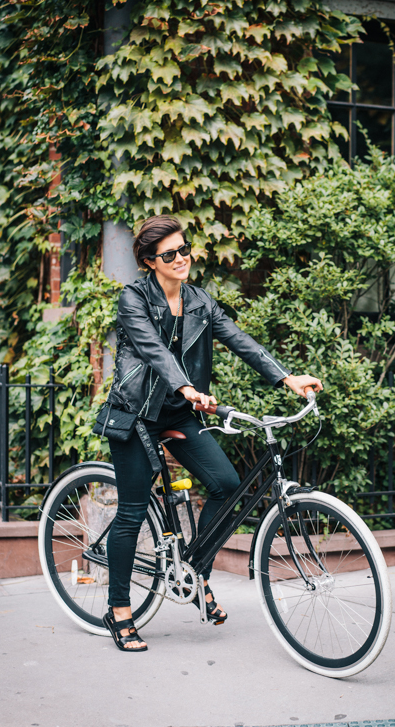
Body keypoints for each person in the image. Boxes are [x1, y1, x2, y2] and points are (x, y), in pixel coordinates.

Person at [103, 214, 323, 651]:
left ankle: (194, 569)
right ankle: (120, 611)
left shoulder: (200, 301)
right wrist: (186, 386)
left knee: (225, 484)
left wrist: (286, 377)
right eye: (170, 254)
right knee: (130, 513)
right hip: (136, 415)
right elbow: (151, 349)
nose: (182, 258)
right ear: (150, 262)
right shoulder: (134, 299)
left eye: (185, 249)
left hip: (179, 414)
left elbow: (240, 340)